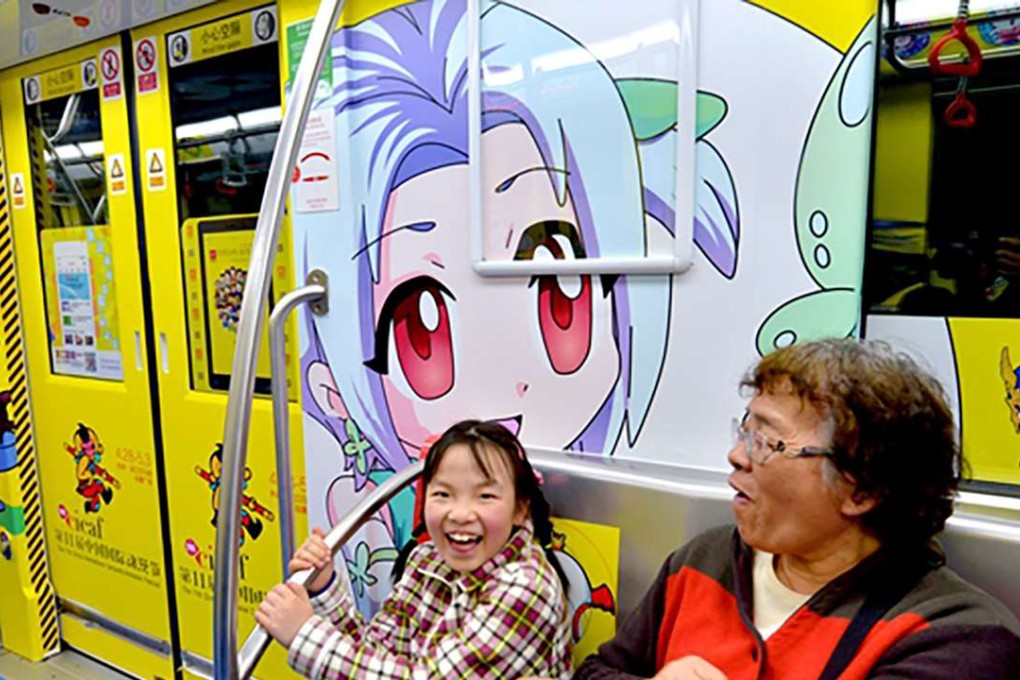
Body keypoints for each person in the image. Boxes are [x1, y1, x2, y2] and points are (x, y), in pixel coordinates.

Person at [573, 338, 1020, 679]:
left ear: (862, 490)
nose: (737, 455)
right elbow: (598, 671)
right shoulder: (702, 563)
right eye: (745, 431)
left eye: (768, 441)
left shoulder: (953, 636)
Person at [256, 420, 573, 678]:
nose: (460, 514)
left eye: (485, 496)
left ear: (520, 509)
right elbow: (376, 654)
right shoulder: (426, 560)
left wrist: (305, 635)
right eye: (443, 494)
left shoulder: (527, 588)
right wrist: (325, 587)